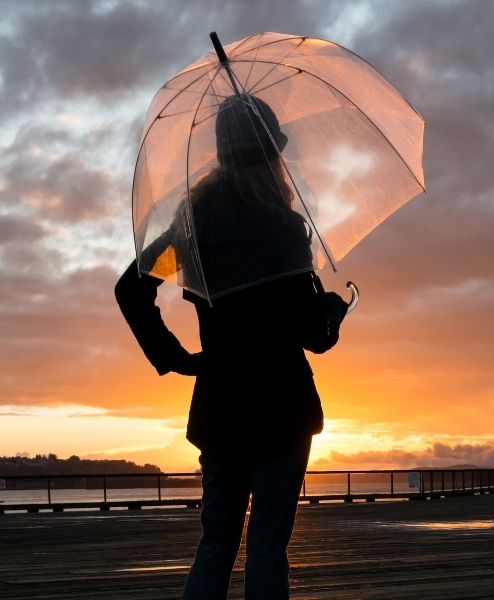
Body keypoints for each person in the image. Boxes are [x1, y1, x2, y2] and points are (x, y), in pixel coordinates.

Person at [115, 93, 348, 599]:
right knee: (267, 546)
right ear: (270, 153)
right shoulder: (283, 226)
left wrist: (173, 358)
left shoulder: (192, 224)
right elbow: (313, 337)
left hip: (219, 407)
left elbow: (129, 288)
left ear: (221, 152)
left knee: (216, 543)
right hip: (282, 410)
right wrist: (332, 313)